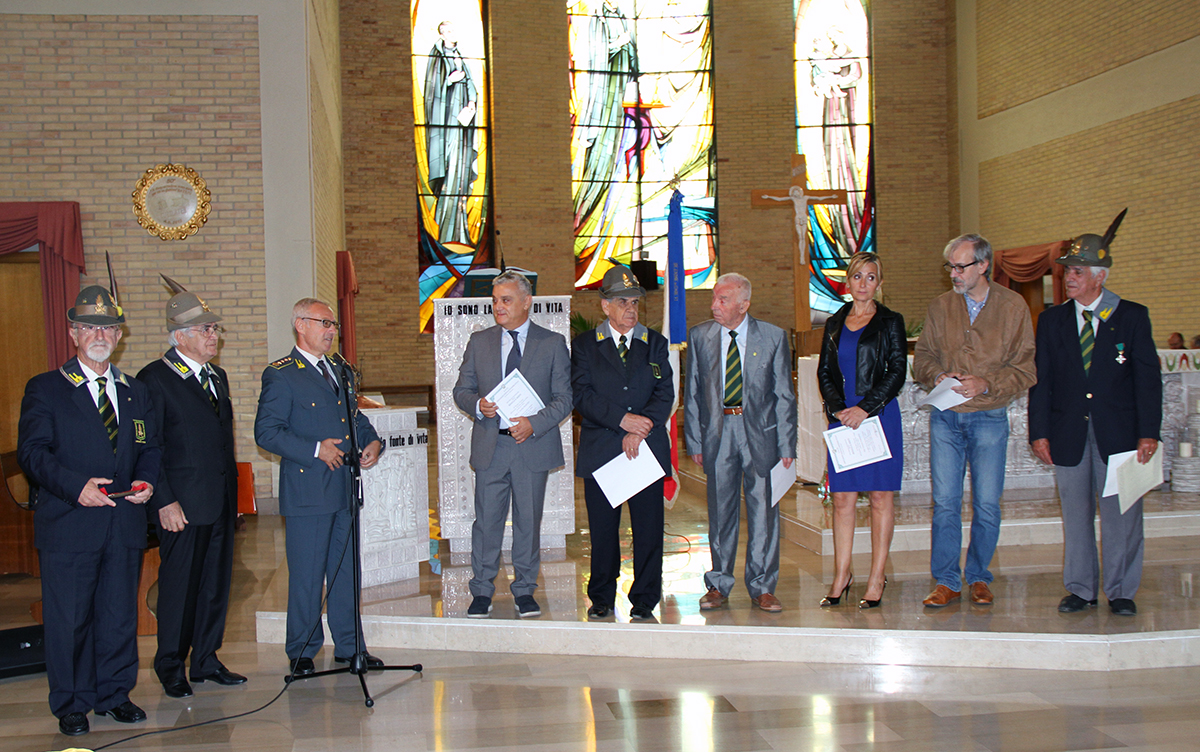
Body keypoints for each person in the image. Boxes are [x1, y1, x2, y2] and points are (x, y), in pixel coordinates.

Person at [17, 286, 161, 737]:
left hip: (123, 523)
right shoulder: (46, 388)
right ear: (73, 334)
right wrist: (75, 487)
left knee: (119, 616)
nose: (99, 335)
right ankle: (72, 702)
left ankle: (114, 695)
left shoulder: (136, 391)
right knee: (71, 620)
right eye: (89, 328)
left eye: (108, 328)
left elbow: (149, 447)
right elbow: (33, 454)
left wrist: (147, 482)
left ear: (119, 335)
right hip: (70, 524)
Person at [1028, 215, 1160, 616]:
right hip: (1068, 432)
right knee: (1076, 514)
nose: (1069, 277)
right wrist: (1039, 432)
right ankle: (1081, 588)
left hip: (1119, 433)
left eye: (1078, 271)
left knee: (1122, 514)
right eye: (1068, 270)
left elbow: (1147, 380)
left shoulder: (1131, 316)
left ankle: (1121, 591)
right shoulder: (1052, 320)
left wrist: (1148, 432)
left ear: (1099, 277)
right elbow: (1042, 381)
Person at [254, 298, 383, 676]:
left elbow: (353, 418)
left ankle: (351, 646)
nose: (331, 331)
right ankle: (302, 651)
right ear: (301, 325)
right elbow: (267, 432)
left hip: (343, 488)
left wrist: (373, 441)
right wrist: (314, 450)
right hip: (308, 492)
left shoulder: (339, 369)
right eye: (324, 323)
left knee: (346, 573)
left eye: (333, 325)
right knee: (308, 577)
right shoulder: (281, 374)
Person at [912, 234, 1036, 608]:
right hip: (946, 418)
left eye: (960, 266)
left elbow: (1026, 369)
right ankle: (947, 580)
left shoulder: (1012, 307)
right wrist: (937, 376)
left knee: (986, 503)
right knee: (946, 503)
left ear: (983, 265)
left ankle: (979, 576)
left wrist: (986, 384)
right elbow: (923, 358)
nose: (953, 274)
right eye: (950, 266)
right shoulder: (940, 307)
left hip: (989, 418)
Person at [137, 284, 245, 698]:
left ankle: (205, 659)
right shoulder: (155, 379)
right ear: (179, 336)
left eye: (214, 329)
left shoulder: (217, 376)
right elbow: (149, 448)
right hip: (180, 504)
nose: (213, 336)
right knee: (180, 588)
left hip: (219, 500)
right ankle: (170, 665)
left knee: (215, 584)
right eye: (205, 330)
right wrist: (163, 500)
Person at [452, 270, 573, 618]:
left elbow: (565, 399)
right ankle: (481, 590)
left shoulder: (551, 344)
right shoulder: (480, 342)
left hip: (532, 447)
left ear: (526, 302)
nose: (498, 307)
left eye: (506, 300)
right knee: (486, 522)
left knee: (527, 522)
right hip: (492, 446)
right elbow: (461, 390)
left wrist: (535, 424)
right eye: (495, 301)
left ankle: (524, 590)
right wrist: (478, 405)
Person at [684, 273, 798, 612]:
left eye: (723, 300)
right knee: (720, 512)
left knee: (764, 511)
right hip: (718, 433)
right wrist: (695, 441)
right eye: (714, 298)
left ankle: (762, 586)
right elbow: (692, 392)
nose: (714, 306)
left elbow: (784, 395)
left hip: (761, 435)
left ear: (743, 305)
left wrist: (787, 444)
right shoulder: (700, 336)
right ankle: (718, 583)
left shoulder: (773, 337)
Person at [572, 264, 674, 621]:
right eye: (622, 302)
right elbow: (581, 395)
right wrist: (622, 420)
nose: (631, 309)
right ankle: (601, 597)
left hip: (645, 450)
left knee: (648, 530)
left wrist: (638, 428)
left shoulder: (655, 343)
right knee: (603, 532)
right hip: (603, 451)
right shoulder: (585, 346)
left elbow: (664, 393)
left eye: (635, 302)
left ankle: (644, 599)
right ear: (605, 306)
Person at [816, 252, 906, 609]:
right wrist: (839, 408)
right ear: (848, 281)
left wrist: (865, 408)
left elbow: (897, 371)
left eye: (871, 277)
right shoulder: (835, 322)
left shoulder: (890, 321)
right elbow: (824, 371)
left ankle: (876, 576)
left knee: (881, 497)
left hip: (878, 416)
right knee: (843, 498)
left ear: (879, 283)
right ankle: (842, 574)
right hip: (843, 418)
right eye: (857, 276)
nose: (863, 283)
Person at [424, 20, 478, 245]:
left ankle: (459, 229)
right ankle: (445, 228)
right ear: (442, 33)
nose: (452, 33)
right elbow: (431, 90)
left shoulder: (459, 55)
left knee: (460, 171)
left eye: (454, 29)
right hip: (446, 125)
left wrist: (472, 102)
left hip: (463, 123)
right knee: (450, 168)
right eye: (448, 31)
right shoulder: (437, 55)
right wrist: (448, 80)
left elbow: (470, 82)